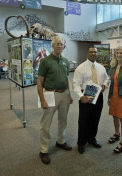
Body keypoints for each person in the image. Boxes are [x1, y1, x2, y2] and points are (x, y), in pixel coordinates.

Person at [37, 35, 73, 165]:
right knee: (46, 123)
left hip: (64, 94)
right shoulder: (45, 61)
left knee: (63, 121)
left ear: (63, 46)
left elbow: (66, 78)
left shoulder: (65, 61)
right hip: (50, 94)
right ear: (52, 45)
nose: (59, 46)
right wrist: (42, 100)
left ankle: (61, 141)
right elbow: (39, 82)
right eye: (56, 44)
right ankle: (43, 150)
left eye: (61, 44)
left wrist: (69, 94)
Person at [73, 47, 110, 154]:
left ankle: (92, 138)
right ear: (87, 53)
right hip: (86, 96)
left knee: (95, 119)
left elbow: (107, 78)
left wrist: (104, 85)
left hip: (99, 96)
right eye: (91, 52)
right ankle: (81, 142)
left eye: (95, 52)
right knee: (84, 120)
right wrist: (81, 96)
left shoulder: (101, 67)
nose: (93, 53)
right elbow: (75, 84)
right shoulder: (80, 68)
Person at [107, 45, 122, 153]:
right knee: (114, 116)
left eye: (121, 53)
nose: (119, 55)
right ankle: (117, 134)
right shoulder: (113, 67)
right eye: (117, 53)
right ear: (114, 54)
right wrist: (109, 97)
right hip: (114, 96)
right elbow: (112, 84)